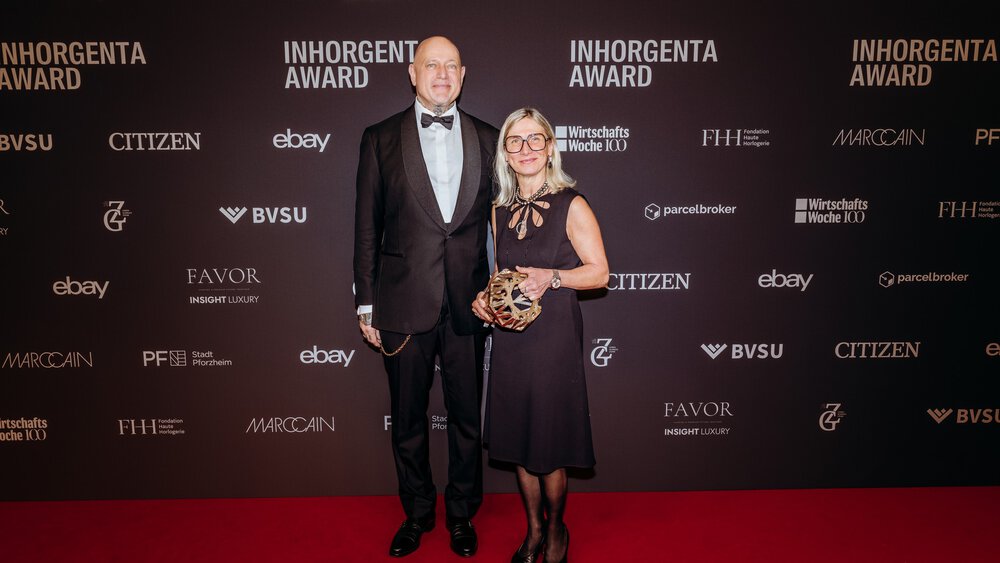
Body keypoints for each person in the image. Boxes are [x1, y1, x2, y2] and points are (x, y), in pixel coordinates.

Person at [353, 36, 499, 558]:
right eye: (430, 65)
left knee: (466, 419)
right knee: (408, 419)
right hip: (401, 303)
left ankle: (461, 514)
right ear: (411, 73)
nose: (441, 74)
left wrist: (505, 290)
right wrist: (366, 302)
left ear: (464, 74)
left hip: (470, 303)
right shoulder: (379, 138)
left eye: (450, 66)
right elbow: (366, 227)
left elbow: (500, 226)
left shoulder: (490, 137)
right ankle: (416, 513)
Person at [473, 108, 609, 563]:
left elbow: (599, 274)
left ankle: (556, 530)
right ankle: (532, 530)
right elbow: (499, 275)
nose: (526, 149)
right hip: (512, 342)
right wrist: (485, 301)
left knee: (547, 446)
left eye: (535, 139)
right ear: (506, 154)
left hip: (553, 341)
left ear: (550, 147)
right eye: (516, 141)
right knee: (517, 439)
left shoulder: (573, 204)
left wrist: (552, 277)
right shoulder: (498, 211)